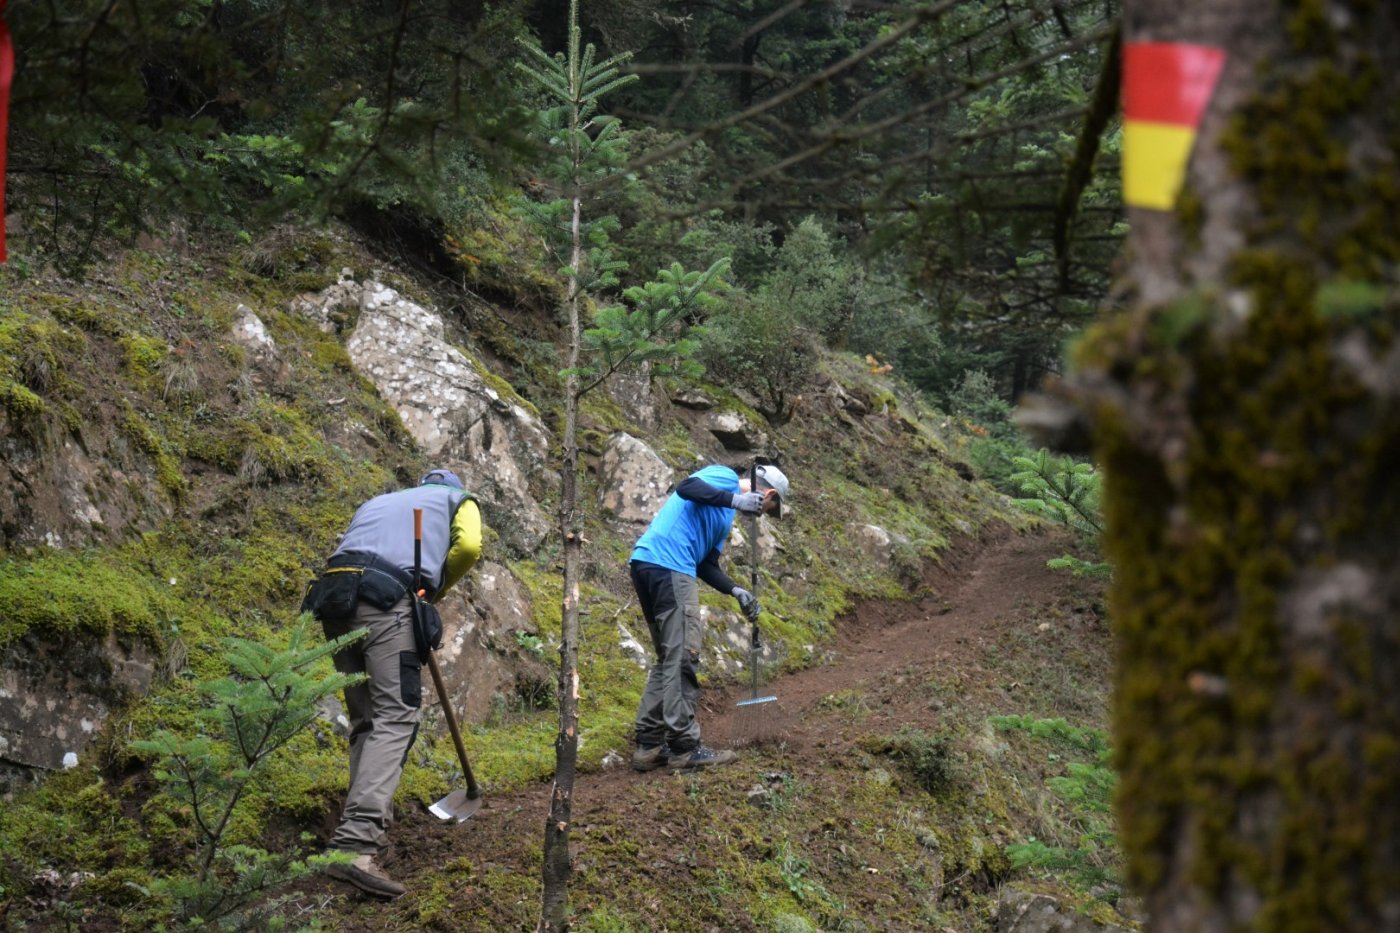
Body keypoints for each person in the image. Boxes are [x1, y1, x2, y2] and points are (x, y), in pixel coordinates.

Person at [303, 468, 482, 898]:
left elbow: (350, 550)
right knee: (395, 715)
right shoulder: (459, 501)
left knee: (366, 717)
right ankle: (356, 843)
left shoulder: (378, 501)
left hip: (334, 595)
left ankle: (360, 825)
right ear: (451, 488)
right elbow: (470, 547)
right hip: (386, 598)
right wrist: (430, 594)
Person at [629, 461, 789, 772]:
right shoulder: (725, 479)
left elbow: (706, 565)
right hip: (669, 566)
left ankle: (648, 744)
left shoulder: (725, 517)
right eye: (768, 508)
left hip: (649, 564)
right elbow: (686, 487)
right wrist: (736, 499)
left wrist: (736, 590)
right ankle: (684, 747)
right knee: (685, 655)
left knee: (669, 657)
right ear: (768, 493)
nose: (761, 514)